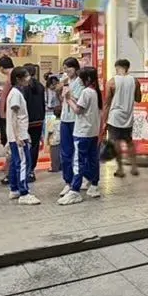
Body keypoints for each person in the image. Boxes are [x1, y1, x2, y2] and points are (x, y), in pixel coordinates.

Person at [60, 66, 102, 204]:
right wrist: (71, 97)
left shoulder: (86, 92)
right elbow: (82, 104)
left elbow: (78, 110)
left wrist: (68, 100)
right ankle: (94, 185)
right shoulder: (94, 92)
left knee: (78, 161)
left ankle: (75, 190)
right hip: (92, 132)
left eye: (82, 79)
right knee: (92, 159)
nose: (80, 81)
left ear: (87, 79)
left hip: (82, 132)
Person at [6, 67, 39, 204]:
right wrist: (18, 136)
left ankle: (14, 189)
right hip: (18, 136)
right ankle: (24, 193)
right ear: (18, 79)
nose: (28, 78)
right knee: (23, 163)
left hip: (19, 134)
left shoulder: (17, 93)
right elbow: (14, 117)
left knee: (16, 162)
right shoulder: (15, 94)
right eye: (26, 76)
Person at [103, 58, 140, 178]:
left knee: (116, 142)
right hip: (128, 116)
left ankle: (120, 169)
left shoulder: (111, 82)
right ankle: (134, 167)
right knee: (129, 142)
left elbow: (107, 103)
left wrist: (104, 121)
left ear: (117, 68)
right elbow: (138, 98)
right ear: (128, 68)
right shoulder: (135, 81)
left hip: (115, 117)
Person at [57, 57, 82, 190]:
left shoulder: (80, 82)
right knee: (65, 152)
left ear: (75, 68)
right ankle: (68, 181)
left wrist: (68, 92)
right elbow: (61, 98)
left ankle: (80, 179)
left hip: (76, 120)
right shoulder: (65, 81)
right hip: (64, 119)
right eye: (64, 68)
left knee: (78, 152)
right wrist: (61, 88)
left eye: (68, 67)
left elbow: (78, 100)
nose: (66, 70)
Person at [22, 64, 46, 181]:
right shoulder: (40, 86)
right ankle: (31, 170)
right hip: (38, 120)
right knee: (35, 146)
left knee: (24, 145)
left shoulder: (23, 87)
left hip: (26, 120)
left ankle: (25, 169)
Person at [0, 55, 14, 184]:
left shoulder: (11, 77)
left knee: (9, 143)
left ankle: (9, 170)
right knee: (8, 143)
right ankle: (7, 166)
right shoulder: (11, 76)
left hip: (7, 116)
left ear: (1, 67)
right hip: (6, 115)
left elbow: (7, 96)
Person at [44, 74, 63, 173]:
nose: (54, 86)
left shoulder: (58, 91)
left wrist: (47, 140)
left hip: (54, 140)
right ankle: (59, 166)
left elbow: (50, 131)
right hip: (50, 112)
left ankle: (55, 166)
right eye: (52, 84)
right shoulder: (46, 91)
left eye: (56, 84)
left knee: (55, 153)